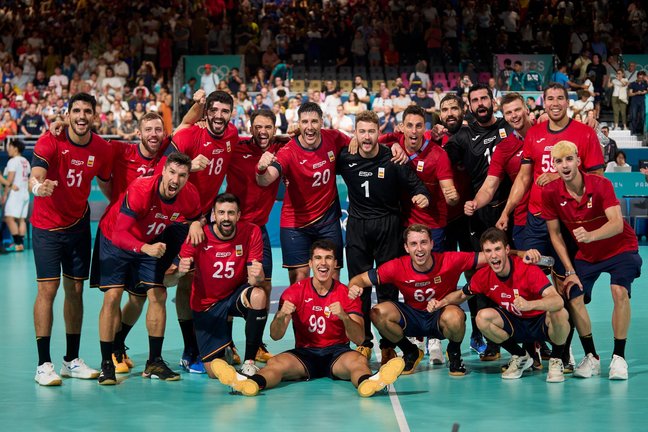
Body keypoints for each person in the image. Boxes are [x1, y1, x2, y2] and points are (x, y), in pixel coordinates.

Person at [209, 239, 406, 397]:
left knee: (358, 362)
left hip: (337, 353)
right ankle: (249, 384)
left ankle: (369, 383)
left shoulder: (346, 294)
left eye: (328, 258)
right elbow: (276, 335)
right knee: (275, 364)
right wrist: (282, 315)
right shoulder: (295, 292)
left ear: (336, 264)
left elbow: (359, 339)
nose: (323, 263)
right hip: (305, 354)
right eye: (318, 258)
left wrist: (344, 317)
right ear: (310, 263)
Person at [30, 93, 113, 386]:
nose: (81, 116)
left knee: (75, 291)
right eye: (75, 110)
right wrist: (39, 187)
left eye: (86, 111)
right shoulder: (49, 140)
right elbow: (36, 174)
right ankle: (43, 364)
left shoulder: (101, 148)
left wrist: (119, 208)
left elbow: (105, 181)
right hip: (47, 227)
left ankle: (71, 360)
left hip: (78, 226)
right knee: (48, 291)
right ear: (67, 115)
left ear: (94, 116)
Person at [96, 152, 200, 384]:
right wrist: (145, 248)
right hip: (115, 239)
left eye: (182, 175)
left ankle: (154, 361)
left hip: (149, 240)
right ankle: (106, 364)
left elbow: (196, 218)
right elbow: (120, 234)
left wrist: (194, 224)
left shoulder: (190, 195)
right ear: (163, 171)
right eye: (172, 172)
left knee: (158, 295)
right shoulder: (142, 189)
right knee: (112, 296)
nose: (176, 180)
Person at [543, 141, 642, 380]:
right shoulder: (551, 192)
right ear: (554, 166)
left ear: (578, 160)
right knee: (573, 295)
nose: (565, 165)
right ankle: (591, 357)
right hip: (588, 256)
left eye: (568, 159)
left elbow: (617, 223)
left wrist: (590, 235)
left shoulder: (601, 184)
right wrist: (569, 270)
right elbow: (555, 235)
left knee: (619, 291)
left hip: (621, 247)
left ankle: (619, 357)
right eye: (559, 161)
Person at [337, 110, 431, 360]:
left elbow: (416, 184)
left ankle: (388, 341)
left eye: (371, 131)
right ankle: (364, 342)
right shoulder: (346, 156)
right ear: (355, 134)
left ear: (379, 133)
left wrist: (423, 195)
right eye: (362, 132)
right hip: (357, 227)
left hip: (388, 226)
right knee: (359, 287)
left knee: (388, 287)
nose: (366, 137)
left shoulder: (393, 157)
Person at [348, 224, 488, 376]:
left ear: (432, 244)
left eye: (423, 242)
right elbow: (359, 279)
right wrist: (354, 286)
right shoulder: (397, 266)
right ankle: (410, 351)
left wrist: (514, 254)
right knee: (377, 313)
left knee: (456, 316)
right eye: (413, 244)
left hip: (440, 316)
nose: (419, 248)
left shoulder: (450, 260)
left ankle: (454, 353)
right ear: (406, 248)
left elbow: (490, 256)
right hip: (413, 318)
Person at [166, 90, 239, 371]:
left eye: (225, 111)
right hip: (177, 220)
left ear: (231, 113)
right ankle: (188, 348)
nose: (219, 116)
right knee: (175, 282)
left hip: (204, 220)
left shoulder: (231, 135)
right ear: (206, 112)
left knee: (205, 282)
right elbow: (163, 167)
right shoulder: (188, 136)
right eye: (215, 110)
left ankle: (211, 344)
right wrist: (188, 165)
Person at [438, 228, 570, 382]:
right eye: (488, 251)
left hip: (540, 323)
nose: (493, 255)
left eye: (497, 249)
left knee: (560, 313)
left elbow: (557, 300)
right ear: (484, 254)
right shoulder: (483, 276)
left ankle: (556, 359)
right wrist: (442, 302)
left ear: (507, 250)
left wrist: (530, 305)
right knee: (482, 317)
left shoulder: (526, 269)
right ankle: (520, 356)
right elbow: (461, 295)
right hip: (515, 324)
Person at [171, 193, 269, 378]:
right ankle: (225, 351)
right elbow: (168, 280)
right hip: (207, 305)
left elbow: (255, 280)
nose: (226, 218)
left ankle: (249, 363)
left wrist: (259, 276)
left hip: (233, 295)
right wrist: (179, 272)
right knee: (213, 371)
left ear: (238, 215)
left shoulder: (251, 231)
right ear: (213, 215)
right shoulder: (199, 235)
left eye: (231, 213)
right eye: (221, 213)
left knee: (259, 295)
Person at [256, 102, 350, 285]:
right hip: (295, 224)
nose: (309, 126)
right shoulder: (288, 151)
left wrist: (393, 145)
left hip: (328, 221)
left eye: (314, 121)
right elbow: (266, 179)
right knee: (299, 280)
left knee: (333, 278)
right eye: (305, 122)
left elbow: (358, 143)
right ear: (298, 124)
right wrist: (260, 169)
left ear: (322, 122)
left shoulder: (334, 137)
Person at [225, 109, 289, 363]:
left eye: (268, 127)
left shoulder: (281, 150)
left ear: (274, 129)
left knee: (264, 286)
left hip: (258, 231)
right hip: (232, 230)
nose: (262, 131)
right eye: (258, 127)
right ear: (250, 128)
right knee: (228, 288)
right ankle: (227, 344)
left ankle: (257, 344)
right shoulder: (235, 149)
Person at [464, 93, 532, 249]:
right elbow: (490, 186)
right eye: (508, 112)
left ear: (526, 109)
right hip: (523, 217)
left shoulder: (544, 130)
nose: (514, 116)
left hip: (555, 212)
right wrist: (475, 202)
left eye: (517, 110)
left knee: (562, 269)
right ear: (504, 116)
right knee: (529, 268)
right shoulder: (503, 149)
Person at [2, 139, 30, 252]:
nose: (8, 149)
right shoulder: (26, 161)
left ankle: (17, 243)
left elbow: (10, 179)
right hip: (24, 193)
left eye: (10, 147)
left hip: (16, 193)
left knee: (9, 218)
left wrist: (4, 194)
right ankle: (20, 244)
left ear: (16, 149)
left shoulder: (12, 161)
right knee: (21, 219)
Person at [628, 71, 647, 136]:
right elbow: (629, 94)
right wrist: (636, 93)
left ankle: (641, 131)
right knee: (633, 117)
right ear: (637, 77)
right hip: (634, 102)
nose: (641, 79)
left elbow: (647, 90)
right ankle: (634, 131)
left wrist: (645, 92)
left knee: (642, 117)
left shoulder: (645, 84)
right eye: (639, 78)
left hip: (642, 102)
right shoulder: (632, 84)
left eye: (642, 78)